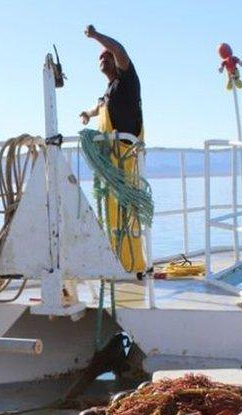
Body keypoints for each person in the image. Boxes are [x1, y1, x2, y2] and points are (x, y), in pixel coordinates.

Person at [79, 24, 147, 273]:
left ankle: (133, 265)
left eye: (106, 55)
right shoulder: (108, 92)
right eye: (101, 56)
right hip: (110, 164)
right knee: (111, 216)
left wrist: (97, 37)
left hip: (126, 158)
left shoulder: (128, 81)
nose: (103, 57)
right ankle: (116, 264)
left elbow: (120, 49)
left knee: (128, 213)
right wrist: (87, 114)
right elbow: (99, 107)